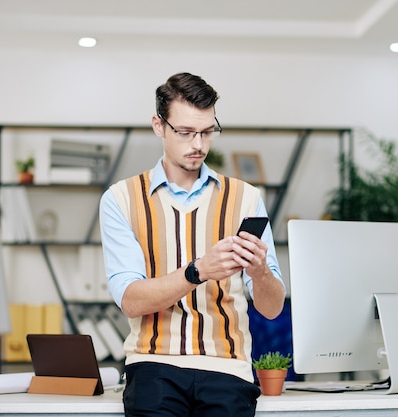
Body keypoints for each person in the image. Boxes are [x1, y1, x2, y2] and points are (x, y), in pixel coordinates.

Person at [99, 72, 286, 417]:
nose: (198, 144)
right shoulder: (120, 199)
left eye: (207, 131)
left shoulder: (245, 198)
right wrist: (197, 271)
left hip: (228, 369)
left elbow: (272, 309)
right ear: (159, 125)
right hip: (152, 365)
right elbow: (130, 300)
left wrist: (260, 273)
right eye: (185, 132)